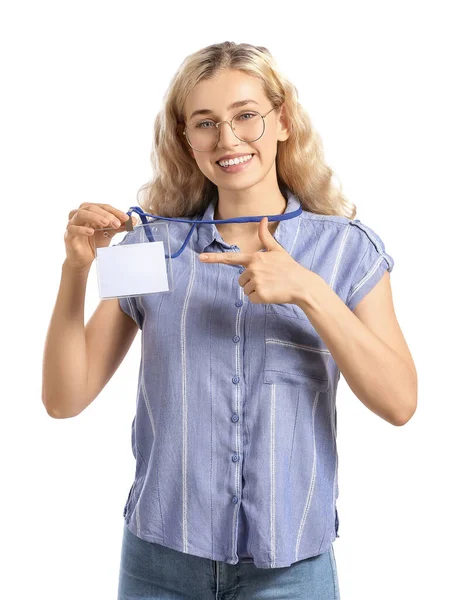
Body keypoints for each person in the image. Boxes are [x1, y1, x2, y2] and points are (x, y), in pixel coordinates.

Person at [42, 41, 417, 600]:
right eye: (206, 123)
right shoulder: (154, 247)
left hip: (291, 571)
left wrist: (308, 291)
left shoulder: (346, 251)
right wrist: (75, 272)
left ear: (283, 120)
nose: (228, 139)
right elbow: (64, 399)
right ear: (187, 139)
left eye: (247, 116)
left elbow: (400, 404)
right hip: (160, 564)